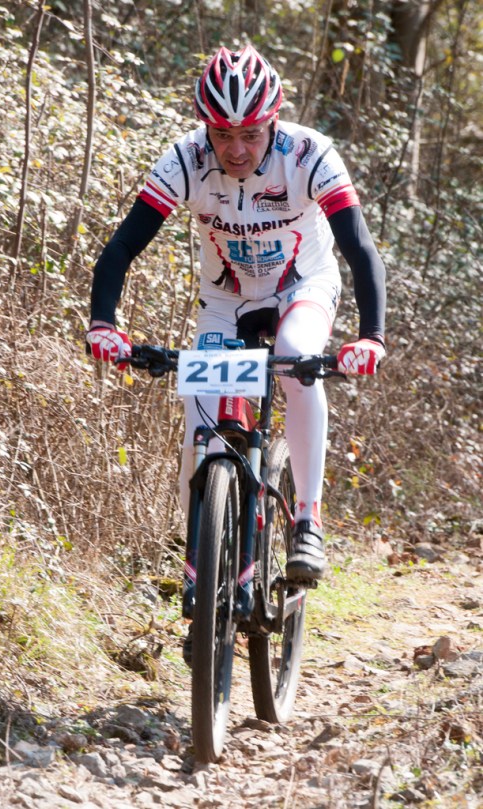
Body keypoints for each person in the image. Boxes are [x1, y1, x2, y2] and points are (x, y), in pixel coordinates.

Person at [86, 45, 386, 589]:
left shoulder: (309, 154)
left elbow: (360, 248)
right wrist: (103, 323)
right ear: (206, 128)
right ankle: (206, 568)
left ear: (273, 121)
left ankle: (307, 519)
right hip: (227, 301)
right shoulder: (186, 158)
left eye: (251, 134)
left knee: (295, 357)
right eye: (223, 135)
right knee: (200, 428)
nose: (237, 149)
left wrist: (371, 337)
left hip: (303, 286)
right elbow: (124, 245)